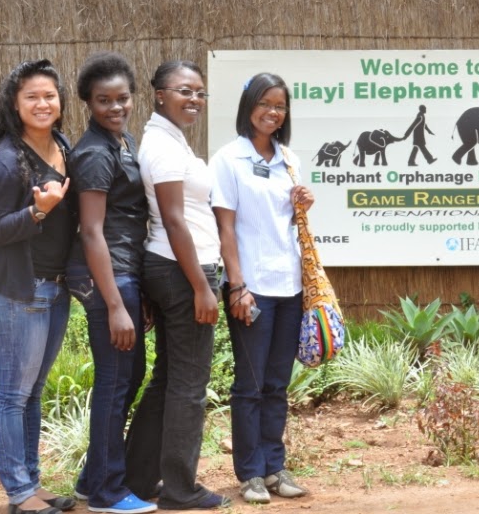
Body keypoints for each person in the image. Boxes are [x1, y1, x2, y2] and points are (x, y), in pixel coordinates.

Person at [123, 61, 231, 509]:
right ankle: (182, 488)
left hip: (174, 268)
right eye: (184, 91)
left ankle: (139, 478)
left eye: (200, 93)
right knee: (188, 383)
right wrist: (202, 288)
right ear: (159, 95)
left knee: (169, 379)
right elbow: (172, 218)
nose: (195, 100)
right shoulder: (164, 146)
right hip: (184, 272)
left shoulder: (169, 139)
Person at [210, 73, 314, 503]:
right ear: (249, 105)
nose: (273, 112)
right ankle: (250, 473)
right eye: (266, 103)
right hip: (251, 288)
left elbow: (285, 227)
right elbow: (226, 229)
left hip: (289, 286)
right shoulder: (228, 159)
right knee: (250, 385)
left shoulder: (289, 159)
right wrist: (237, 286)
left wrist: (300, 206)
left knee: (277, 384)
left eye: (281, 106)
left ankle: (275, 467)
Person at [0, 59, 76, 514]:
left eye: (49, 95)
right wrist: (40, 211)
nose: (43, 103)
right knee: (11, 395)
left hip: (54, 289)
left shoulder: (61, 144)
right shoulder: (4, 161)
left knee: (32, 393)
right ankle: (18, 492)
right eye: (32, 97)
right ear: (15, 105)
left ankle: (32, 484)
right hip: (19, 291)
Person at [65, 52, 154, 514]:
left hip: (125, 271)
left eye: (122, 98)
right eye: (104, 101)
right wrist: (116, 303)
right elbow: (92, 230)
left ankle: (90, 480)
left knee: (128, 374)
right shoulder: (96, 153)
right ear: (88, 102)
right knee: (116, 380)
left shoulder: (124, 141)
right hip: (107, 274)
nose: (115, 107)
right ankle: (106, 493)